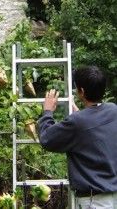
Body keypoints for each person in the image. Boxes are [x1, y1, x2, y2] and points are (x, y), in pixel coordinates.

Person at [38, 66, 117, 208]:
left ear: (82, 92)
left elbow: (46, 139)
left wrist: (48, 112)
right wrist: (83, 115)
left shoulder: (77, 122)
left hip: (95, 202)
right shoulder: (113, 110)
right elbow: (97, 133)